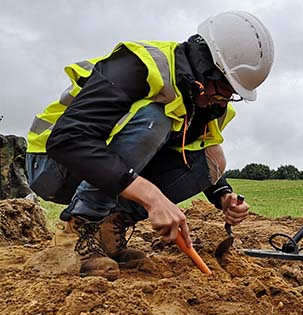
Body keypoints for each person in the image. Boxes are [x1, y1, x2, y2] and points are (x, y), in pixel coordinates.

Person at [25, 10, 274, 281]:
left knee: (213, 156)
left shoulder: (208, 105)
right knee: (155, 118)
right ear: (206, 69)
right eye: (226, 90)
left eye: (233, 94)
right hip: (50, 164)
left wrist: (224, 195)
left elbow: (201, 161)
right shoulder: (140, 66)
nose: (225, 101)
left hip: (99, 170)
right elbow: (67, 140)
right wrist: (151, 196)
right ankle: (78, 230)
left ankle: (109, 229)